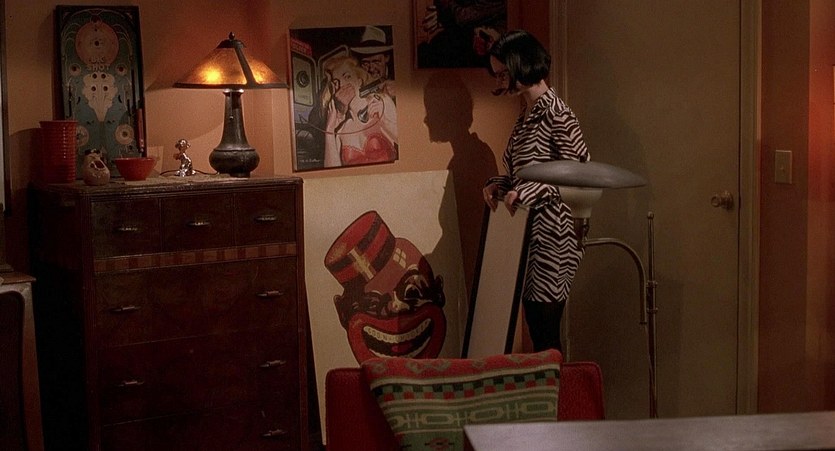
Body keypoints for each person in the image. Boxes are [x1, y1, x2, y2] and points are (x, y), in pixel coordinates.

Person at [482, 30, 590, 352]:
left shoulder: (557, 113)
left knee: (544, 328)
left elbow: (579, 173)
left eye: (503, 72)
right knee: (535, 323)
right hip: (530, 233)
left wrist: (530, 192)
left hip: (555, 234)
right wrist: (500, 184)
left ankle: (556, 385)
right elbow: (526, 172)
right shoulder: (526, 115)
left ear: (522, 65)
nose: (500, 80)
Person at [321, 54, 398, 168]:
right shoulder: (341, 129)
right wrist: (329, 131)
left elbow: (409, 145)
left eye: (347, 77)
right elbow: (331, 172)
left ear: (359, 81)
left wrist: (385, 121)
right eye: (336, 82)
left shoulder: (382, 102)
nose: (342, 84)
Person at [350, 25, 396, 101]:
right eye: (365, 63)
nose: (371, 69)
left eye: (376, 61)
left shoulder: (399, 78)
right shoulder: (356, 80)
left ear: (387, 57)